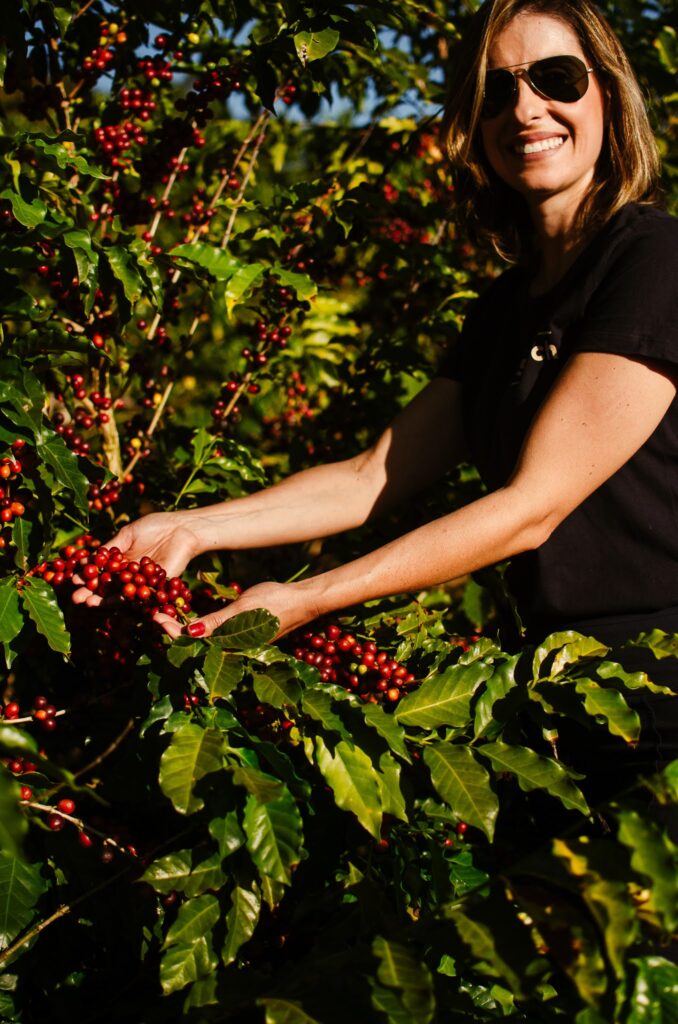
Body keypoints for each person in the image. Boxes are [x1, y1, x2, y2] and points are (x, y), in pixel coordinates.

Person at [75, 0, 678, 792]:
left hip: (655, 702)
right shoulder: (504, 309)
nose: (525, 109)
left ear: (608, 92)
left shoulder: (655, 260)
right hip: (557, 685)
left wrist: (304, 599)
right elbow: (372, 477)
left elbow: (534, 506)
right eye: (495, 92)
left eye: (555, 79)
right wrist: (189, 525)